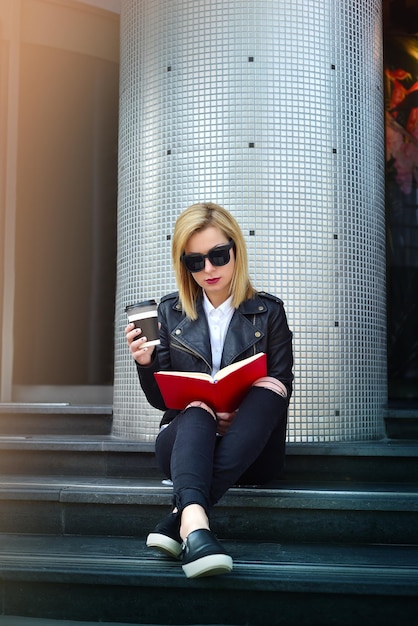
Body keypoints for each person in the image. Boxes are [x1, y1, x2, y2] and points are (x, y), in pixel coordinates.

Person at [125, 202, 293, 579]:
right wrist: (146, 364)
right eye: (195, 262)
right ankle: (197, 528)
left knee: (271, 387)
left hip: (254, 452)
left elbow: (280, 391)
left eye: (218, 255)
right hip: (184, 444)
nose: (209, 269)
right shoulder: (169, 313)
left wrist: (239, 414)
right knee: (197, 407)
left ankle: (182, 518)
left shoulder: (270, 313)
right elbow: (160, 401)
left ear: (236, 249)